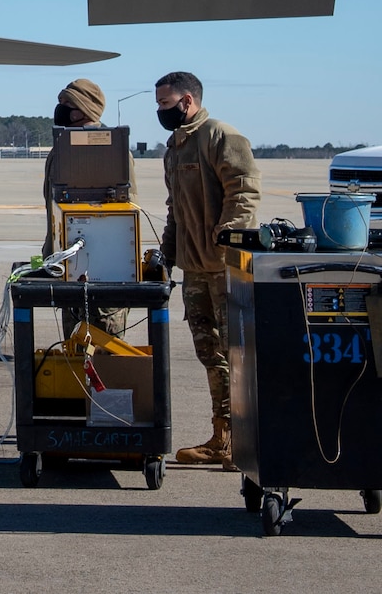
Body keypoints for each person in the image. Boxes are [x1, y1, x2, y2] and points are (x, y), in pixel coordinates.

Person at [155, 69, 260, 468]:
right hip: (194, 270)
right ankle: (223, 437)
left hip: (224, 268)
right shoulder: (175, 147)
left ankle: (244, 439)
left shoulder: (221, 137)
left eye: (165, 104)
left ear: (187, 101)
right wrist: (166, 253)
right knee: (210, 353)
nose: (161, 111)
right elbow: (175, 209)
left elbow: (245, 190)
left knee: (237, 354)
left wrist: (227, 236)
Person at [43, 77, 108, 256]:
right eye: (60, 102)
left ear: (85, 110)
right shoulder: (62, 147)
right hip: (59, 250)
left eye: (67, 103)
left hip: (92, 254)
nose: (60, 107)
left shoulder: (111, 151)